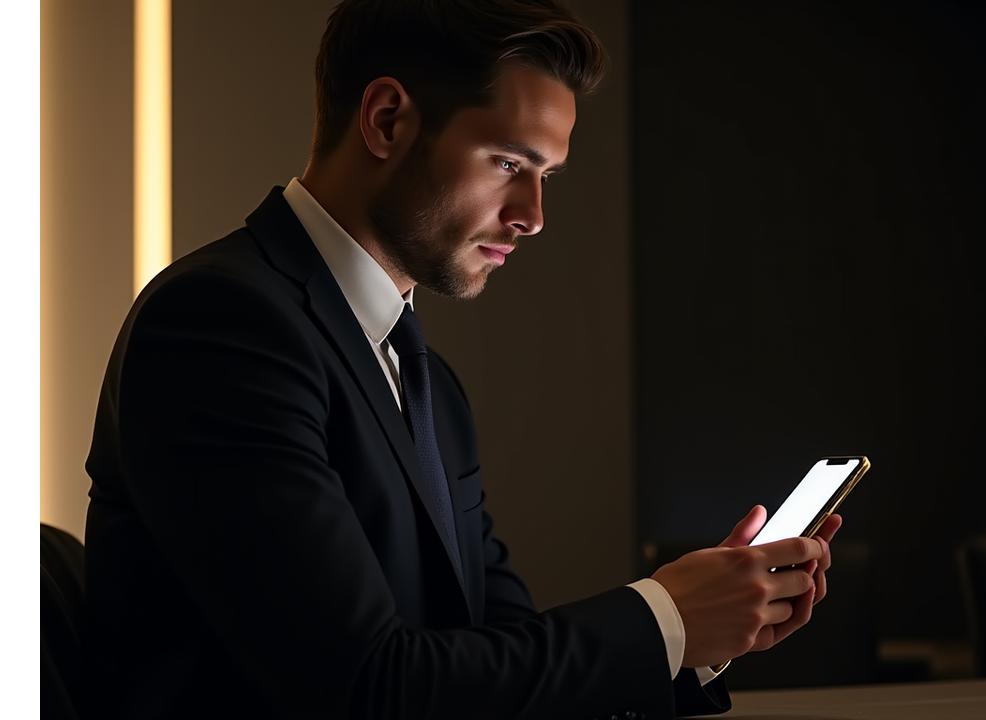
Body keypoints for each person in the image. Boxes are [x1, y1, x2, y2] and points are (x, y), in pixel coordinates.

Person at [83, 1, 842, 718]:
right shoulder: (220, 327)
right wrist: (664, 619)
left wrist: (698, 635)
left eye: (546, 176)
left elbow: (495, 657)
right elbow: (364, 690)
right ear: (387, 121)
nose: (534, 216)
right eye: (509, 163)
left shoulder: (426, 384)